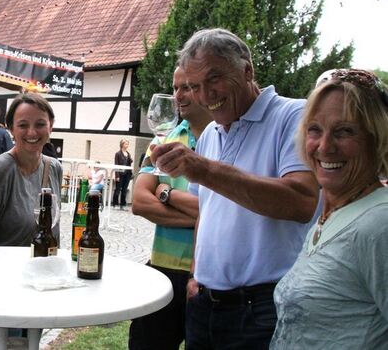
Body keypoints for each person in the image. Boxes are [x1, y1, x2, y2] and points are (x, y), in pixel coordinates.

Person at [149, 28, 320, 349]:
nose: (205, 95)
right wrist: (196, 276)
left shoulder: (292, 116)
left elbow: (302, 201)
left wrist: (204, 170)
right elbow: (206, 213)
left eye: (214, 79)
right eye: (195, 86)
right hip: (204, 302)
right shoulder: (212, 132)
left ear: (247, 71)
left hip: (262, 307)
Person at [271, 69, 388, 348]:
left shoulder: (379, 225)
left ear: (377, 138)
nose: (325, 147)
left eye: (344, 131)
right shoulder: (332, 213)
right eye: (315, 130)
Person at [129, 66, 212, 350]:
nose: (179, 95)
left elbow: (229, 208)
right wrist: (206, 214)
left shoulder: (229, 140)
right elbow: (139, 202)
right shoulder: (163, 139)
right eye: (176, 88)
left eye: (188, 86)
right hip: (162, 270)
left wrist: (166, 192)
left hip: (207, 277)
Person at [0, 92, 62, 349]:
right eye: (23, 125)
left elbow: (53, 228)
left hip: (39, 284)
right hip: (1, 292)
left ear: (51, 126)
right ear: (11, 129)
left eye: (40, 124)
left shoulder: (53, 167)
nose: (32, 132)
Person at [111, 139, 133, 210]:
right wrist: (117, 176)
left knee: (124, 189)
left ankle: (122, 204)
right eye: (126, 144)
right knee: (117, 189)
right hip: (120, 174)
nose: (127, 145)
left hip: (127, 174)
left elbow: (129, 164)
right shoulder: (118, 154)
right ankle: (115, 204)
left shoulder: (128, 153)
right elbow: (116, 165)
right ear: (122, 144)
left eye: (127, 144)